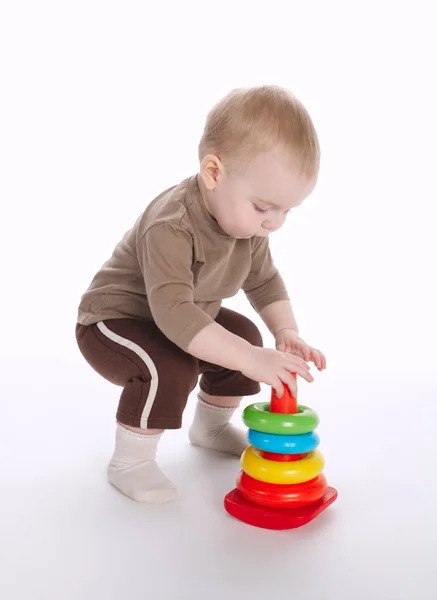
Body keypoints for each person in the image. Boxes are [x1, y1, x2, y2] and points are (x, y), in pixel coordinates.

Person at [75, 85, 327, 504]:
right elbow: (173, 314)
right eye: (264, 207)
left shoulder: (246, 225)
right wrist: (247, 358)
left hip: (177, 316)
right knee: (169, 366)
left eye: (287, 211)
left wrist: (287, 331)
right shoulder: (171, 225)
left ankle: (209, 428)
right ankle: (130, 462)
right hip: (115, 321)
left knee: (246, 337)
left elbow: (264, 281)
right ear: (213, 173)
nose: (275, 223)